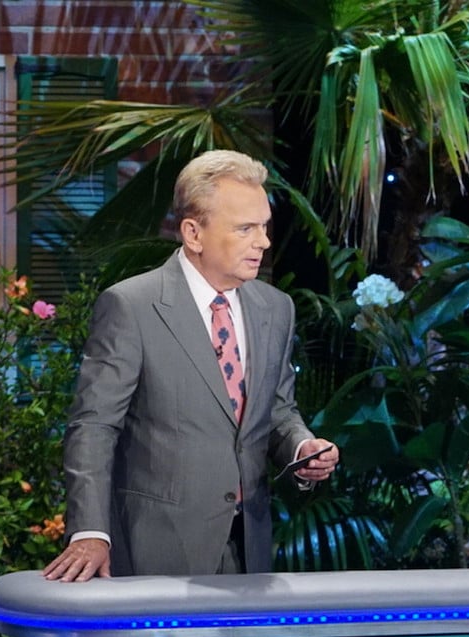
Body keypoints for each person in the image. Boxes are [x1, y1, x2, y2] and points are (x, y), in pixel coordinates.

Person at [44, 150, 337, 580]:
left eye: (264, 227)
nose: (263, 242)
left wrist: (301, 447)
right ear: (193, 233)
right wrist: (90, 531)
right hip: (154, 548)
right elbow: (94, 426)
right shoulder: (132, 306)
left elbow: (277, 411)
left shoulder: (276, 308)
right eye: (246, 228)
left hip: (248, 547)